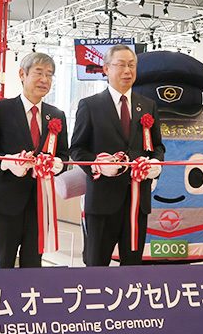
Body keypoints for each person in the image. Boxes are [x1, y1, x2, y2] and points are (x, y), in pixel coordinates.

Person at [70, 44, 165, 266]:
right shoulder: (90, 106)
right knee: (96, 265)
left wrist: (156, 163)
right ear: (106, 69)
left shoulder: (148, 106)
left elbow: (158, 146)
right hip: (102, 200)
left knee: (133, 267)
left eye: (131, 65)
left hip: (137, 201)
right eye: (121, 65)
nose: (127, 71)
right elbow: (77, 149)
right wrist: (98, 166)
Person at [0, 52, 69, 268]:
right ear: (22, 74)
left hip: (40, 204)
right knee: (3, 262)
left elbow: (64, 154)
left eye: (49, 75)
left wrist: (57, 165)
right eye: (39, 73)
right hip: (6, 202)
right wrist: (8, 162)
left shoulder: (56, 115)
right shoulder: (1, 109)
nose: (44, 79)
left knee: (33, 265)